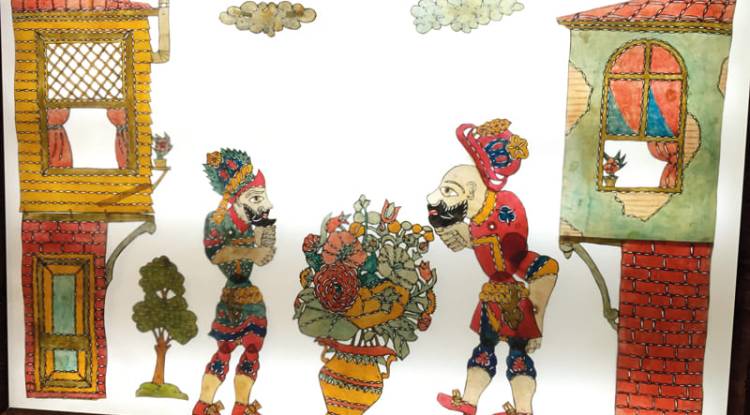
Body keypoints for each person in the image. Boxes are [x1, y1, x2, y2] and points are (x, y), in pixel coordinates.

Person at [428, 120, 558, 415]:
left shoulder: (505, 206)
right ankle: (470, 402)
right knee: (484, 350)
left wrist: (537, 318)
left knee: (517, 355)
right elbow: (479, 241)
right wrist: (464, 236)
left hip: (514, 301)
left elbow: (513, 252)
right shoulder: (478, 217)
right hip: (492, 296)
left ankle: (523, 410)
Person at [193, 149, 277, 415]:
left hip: (250, 295)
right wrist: (251, 252)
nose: (266, 204)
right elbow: (216, 254)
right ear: (237, 199)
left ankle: (241, 406)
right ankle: (203, 404)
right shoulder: (216, 220)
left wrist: (265, 234)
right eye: (256, 198)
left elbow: (264, 257)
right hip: (231, 295)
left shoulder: (253, 225)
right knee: (225, 349)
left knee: (252, 350)